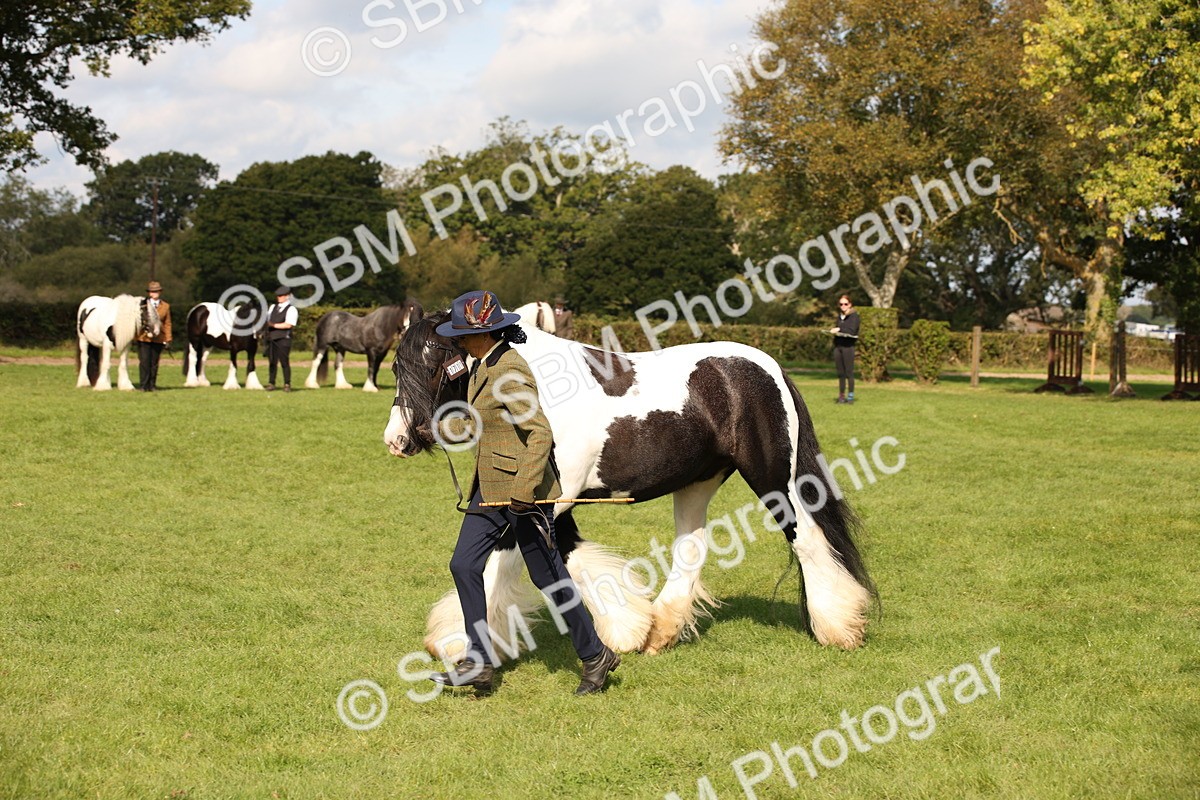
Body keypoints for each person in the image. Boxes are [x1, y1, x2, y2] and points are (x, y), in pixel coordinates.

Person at [428, 289, 619, 696]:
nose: (457, 340)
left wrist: (525, 491)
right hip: (489, 488)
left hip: (523, 493)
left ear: (486, 332)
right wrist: (447, 428)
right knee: (463, 565)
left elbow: (539, 434)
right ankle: (478, 661)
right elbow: (491, 425)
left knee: (549, 579)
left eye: (462, 333)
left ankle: (595, 655)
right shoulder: (480, 366)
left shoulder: (509, 370)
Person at [136, 280, 172, 391]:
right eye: (152, 291)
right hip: (144, 337)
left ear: (160, 292)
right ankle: (143, 385)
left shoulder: (165, 306)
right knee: (144, 362)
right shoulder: (143, 305)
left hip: (159, 338)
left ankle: (152, 385)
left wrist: (168, 339)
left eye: (156, 291)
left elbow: (167, 323)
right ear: (149, 293)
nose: (154, 293)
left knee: (154, 363)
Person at [264, 286, 298, 392]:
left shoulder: (291, 309)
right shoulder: (272, 307)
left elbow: (289, 325)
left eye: (281, 296)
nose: (278, 297)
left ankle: (287, 383)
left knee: (284, 362)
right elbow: (267, 320)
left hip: (283, 338)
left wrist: (273, 325)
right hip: (272, 338)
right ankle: (271, 382)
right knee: (272, 362)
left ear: (287, 296)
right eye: (278, 296)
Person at [831, 294, 860, 404]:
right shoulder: (840, 317)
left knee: (849, 373)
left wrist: (839, 328)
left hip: (848, 347)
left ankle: (851, 396)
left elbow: (852, 330)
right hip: (839, 347)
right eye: (841, 304)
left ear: (850, 304)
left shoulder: (854, 316)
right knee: (841, 373)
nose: (843, 306)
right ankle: (841, 396)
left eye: (845, 304)